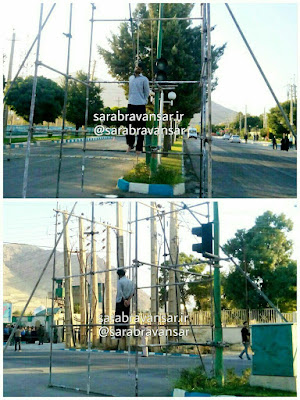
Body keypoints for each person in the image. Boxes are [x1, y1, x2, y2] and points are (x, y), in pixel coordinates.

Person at [126, 62, 150, 155]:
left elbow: (146, 92)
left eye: (139, 68)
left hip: (140, 105)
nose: (137, 69)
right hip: (131, 104)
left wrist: (144, 101)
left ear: (141, 70)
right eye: (136, 67)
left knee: (140, 128)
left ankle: (139, 147)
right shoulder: (130, 78)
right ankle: (130, 144)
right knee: (129, 126)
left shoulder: (144, 79)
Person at [115, 269, 135, 338]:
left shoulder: (120, 282)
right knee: (125, 318)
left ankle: (118, 335)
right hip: (128, 302)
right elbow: (132, 292)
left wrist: (124, 300)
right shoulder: (131, 282)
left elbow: (120, 292)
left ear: (119, 275)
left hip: (121, 301)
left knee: (118, 318)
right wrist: (128, 300)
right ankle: (125, 334)